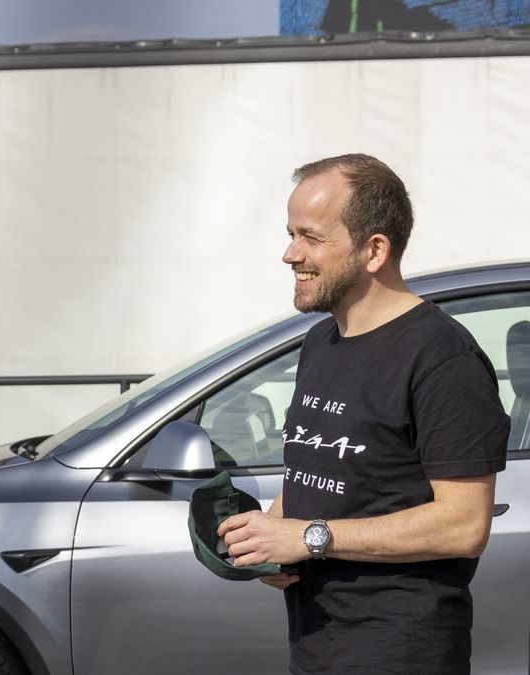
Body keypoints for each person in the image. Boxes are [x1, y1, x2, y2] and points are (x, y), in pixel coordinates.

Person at [217, 154, 510, 674]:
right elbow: (322, 470)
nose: (290, 254)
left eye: (311, 237)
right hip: (316, 642)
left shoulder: (443, 358)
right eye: (291, 234)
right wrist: (272, 537)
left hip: (400, 650)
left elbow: (464, 525)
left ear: (374, 250)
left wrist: (308, 537)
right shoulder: (320, 342)